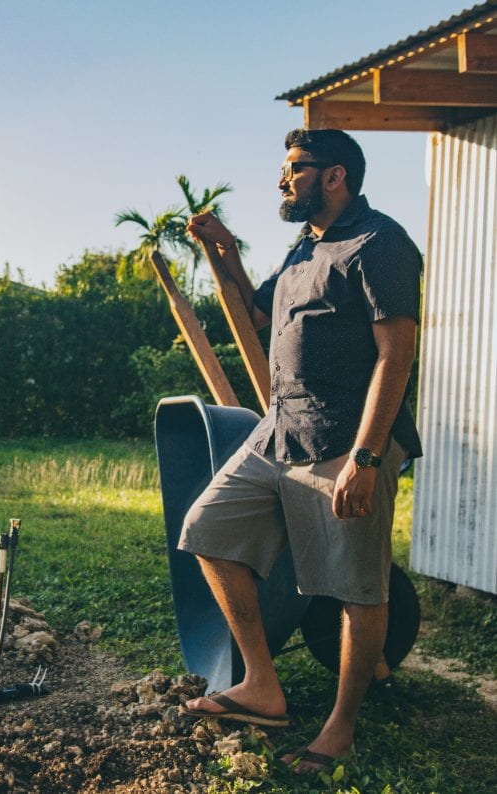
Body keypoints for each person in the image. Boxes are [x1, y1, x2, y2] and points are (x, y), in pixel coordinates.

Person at [178, 128, 422, 773]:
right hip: (280, 428)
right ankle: (262, 685)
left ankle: (339, 728)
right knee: (208, 528)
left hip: (346, 440)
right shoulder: (302, 248)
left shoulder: (380, 244)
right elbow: (256, 314)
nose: (283, 181)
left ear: (334, 175)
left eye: (295, 169)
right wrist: (223, 252)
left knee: (357, 588)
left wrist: (367, 458)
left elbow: (397, 353)